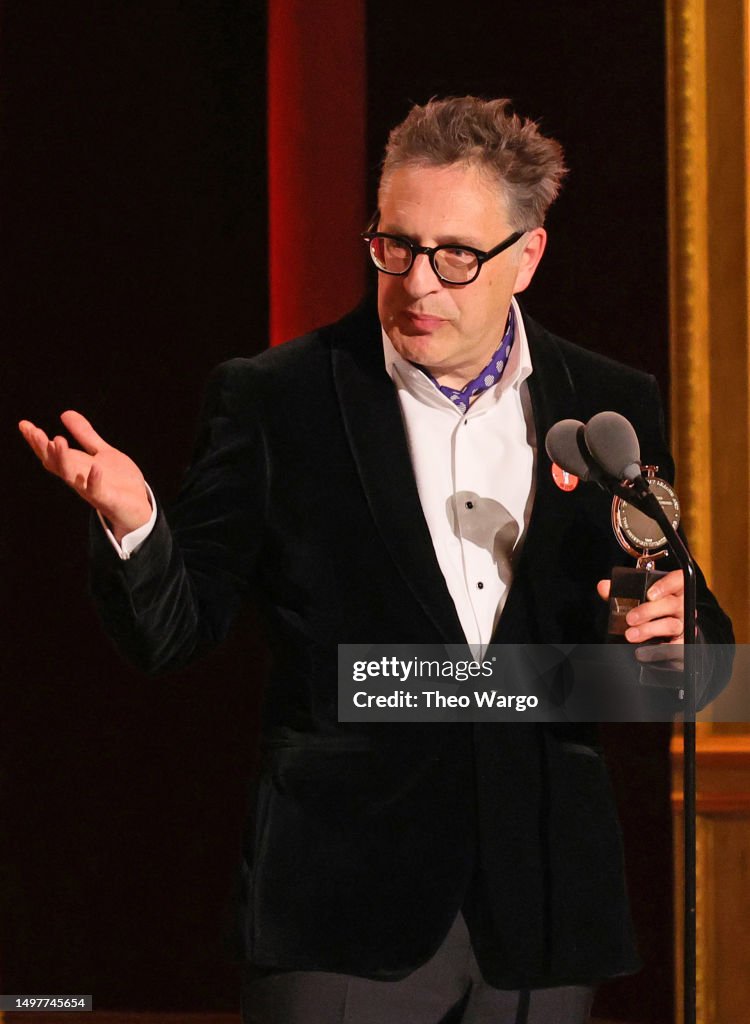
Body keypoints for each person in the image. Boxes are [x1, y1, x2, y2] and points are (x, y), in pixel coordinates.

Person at [19, 97, 733, 1024]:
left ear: (527, 257)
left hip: (543, 904)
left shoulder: (607, 402)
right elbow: (173, 633)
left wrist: (675, 640)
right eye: (396, 247)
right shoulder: (277, 398)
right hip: (342, 906)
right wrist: (138, 524)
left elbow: (678, 638)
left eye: (456, 256)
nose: (418, 284)